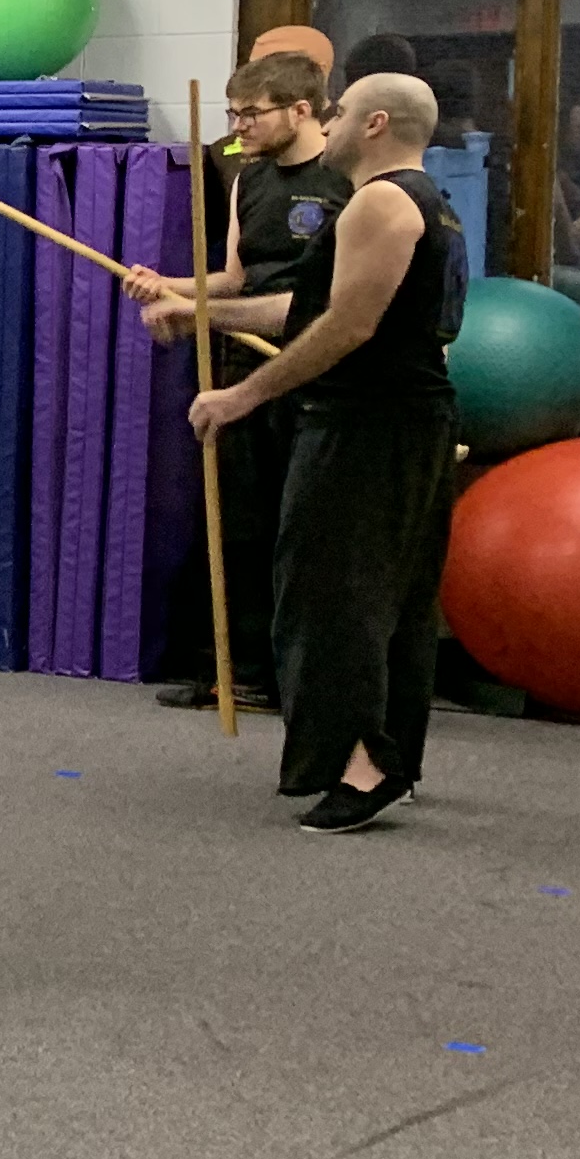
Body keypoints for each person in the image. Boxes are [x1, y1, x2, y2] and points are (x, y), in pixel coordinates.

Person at [149, 72, 465, 833]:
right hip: (409, 422)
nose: (333, 120)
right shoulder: (433, 204)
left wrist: (242, 395)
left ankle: (361, 769)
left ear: (376, 123)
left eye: (343, 111)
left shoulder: (380, 202)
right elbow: (305, 308)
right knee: (393, 603)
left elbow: (345, 327)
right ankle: (392, 760)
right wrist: (202, 313)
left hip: (362, 426)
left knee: (329, 599)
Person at [121, 49, 344, 712]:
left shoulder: (346, 180)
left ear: (300, 110)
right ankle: (242, 673)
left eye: (251, 113)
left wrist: (192, 311)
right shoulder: (250, 179)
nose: (238, 126)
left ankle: (306, 679)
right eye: (232, 113)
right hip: (245, 363)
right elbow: (234, 280)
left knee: (304, 528)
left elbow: (332, 302)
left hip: (316, 364)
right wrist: (168, 285)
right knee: (239, 526)